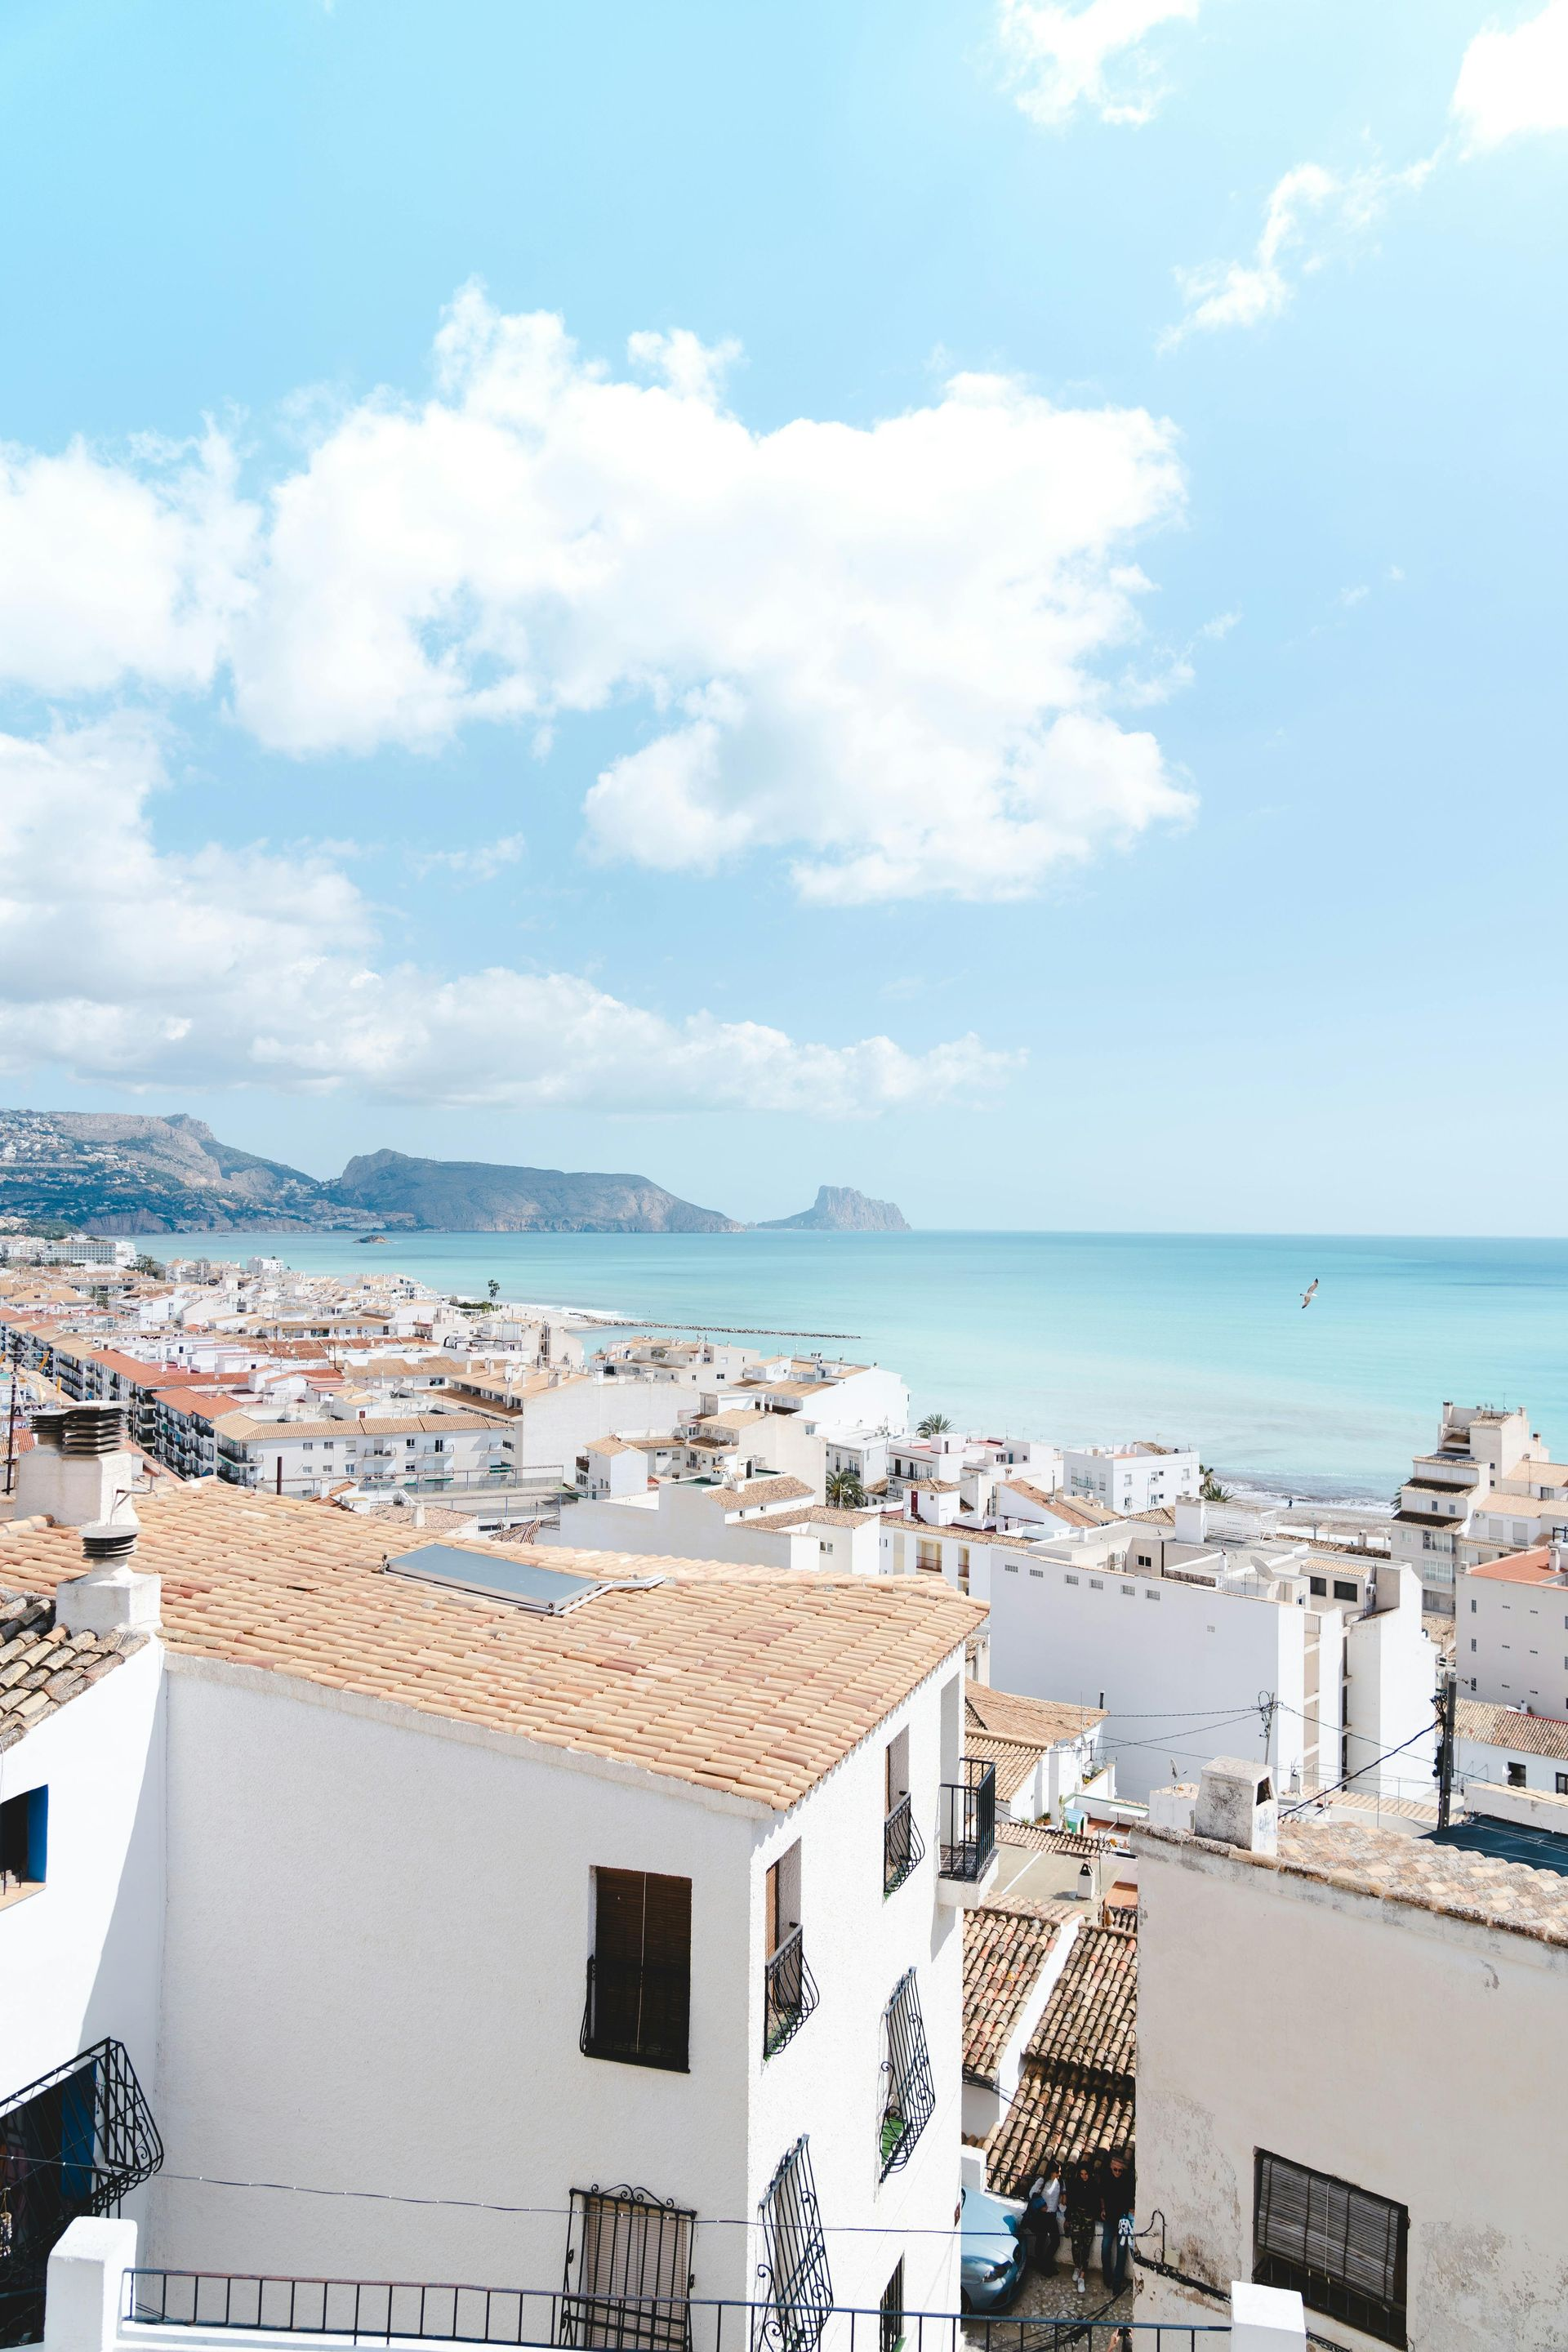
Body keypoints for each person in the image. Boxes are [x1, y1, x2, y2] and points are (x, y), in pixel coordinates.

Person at [1098, 2149, 1137, 2294]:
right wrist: (1103, 2209)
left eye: (1120, 2170)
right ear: (1111, 2167)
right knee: (1105, 2248)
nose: (1117, 2173)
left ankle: (1117, 2283)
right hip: (1109, 2218)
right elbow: (1102, 2195)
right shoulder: (1106, 2177)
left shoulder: (1127, 2181)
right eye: (1115, 2169)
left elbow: (1131, 2202)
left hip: (1123, 2219)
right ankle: (1107, 2277)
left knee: (1121, 2251)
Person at [1064, 2154, 1100, 2294]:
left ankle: (1082, 2277)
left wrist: (1092, 2214)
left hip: (1088, 2218)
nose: (1084, 2176)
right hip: (1076, 2216)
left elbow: (1097, 2204)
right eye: (1082, 2174)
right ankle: (1077, 2267)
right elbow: (1070, 2203)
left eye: (1086, 2174)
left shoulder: (1094, 2186)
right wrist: (1068, 2219)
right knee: (1075, 2245)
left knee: (1086, 2247)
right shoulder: (1075, 2185)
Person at [1023, 2162, 1062, 2272]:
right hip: (1043, 2216)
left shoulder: (1058, 2183)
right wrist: (1040, 2205)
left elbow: (1057, 2199)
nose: (1059, 2174)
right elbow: (1032, 2193)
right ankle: (1042, 2265)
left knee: (1055, 2241)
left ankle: (1046, 2262)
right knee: (1041, 2240)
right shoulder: (1042, 2181)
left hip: (1052, 2215)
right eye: (1057, 2171)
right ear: (1051, 2172)